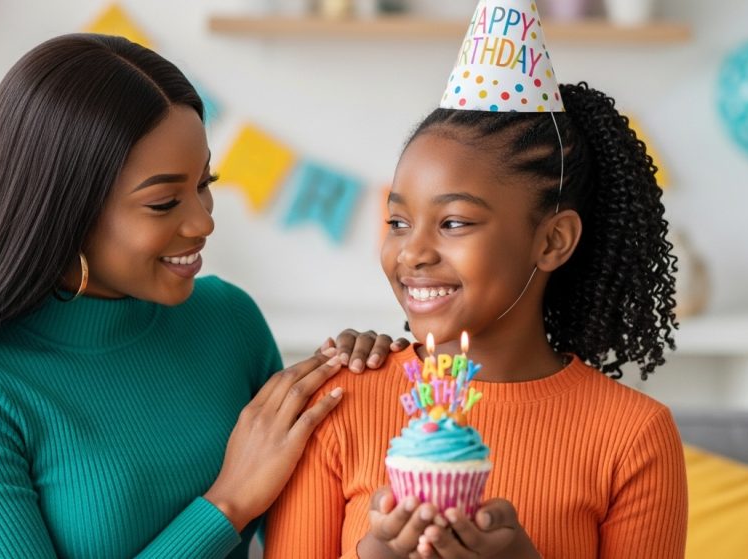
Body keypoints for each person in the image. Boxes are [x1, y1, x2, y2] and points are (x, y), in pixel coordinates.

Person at [0, 34, 404, 559]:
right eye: (163, 202)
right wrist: (226, 505)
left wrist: (363, 390)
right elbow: (243, 500)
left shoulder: (228, 320)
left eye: (206, 182)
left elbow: (303, 543)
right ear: (67, 211)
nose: (204, 220)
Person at [264, 32, 687, 559]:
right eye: (398, 220)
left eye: (454, 222)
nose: (412, 252)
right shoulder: (336, 407)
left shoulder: (633, 437)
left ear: (553, 240)